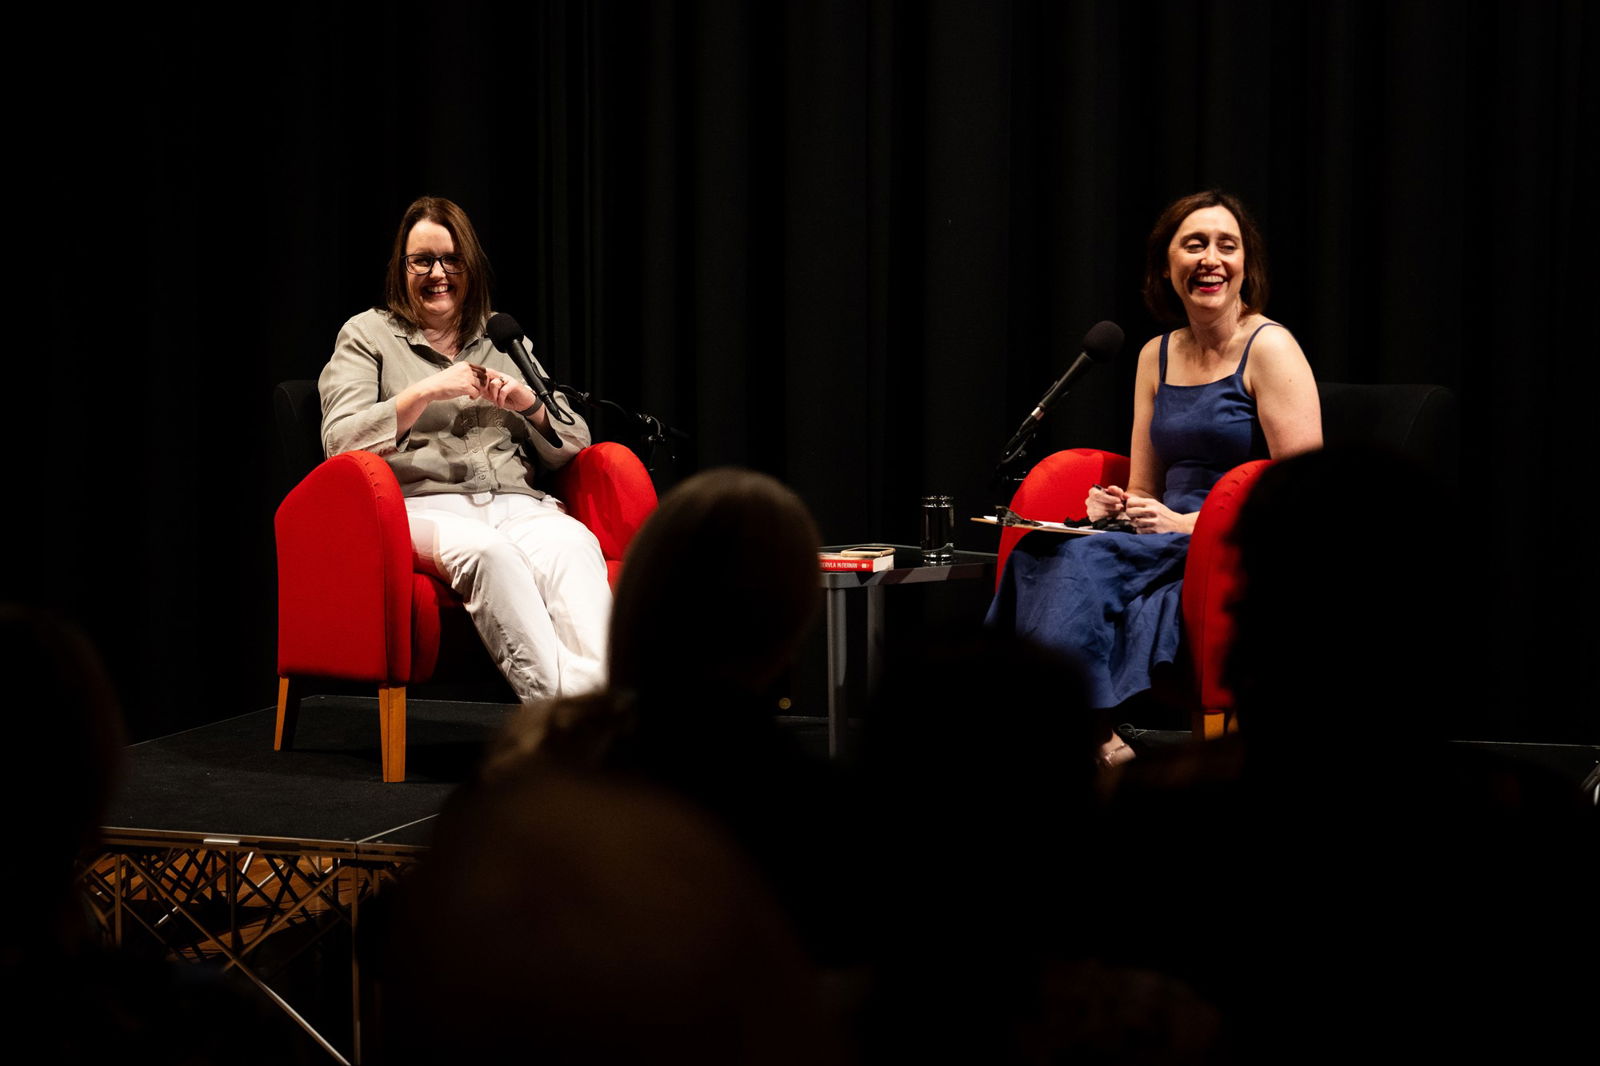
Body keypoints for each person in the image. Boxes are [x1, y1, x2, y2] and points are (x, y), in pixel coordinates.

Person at [988, 190, 1321, 762]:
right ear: (1167, 268)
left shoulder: (1271, 348)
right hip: (1159, 536)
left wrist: (1191, 522)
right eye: (1193, 245)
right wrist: (1119, 506)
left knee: (1079, 564)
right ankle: (1061, 734)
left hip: (1230, 539)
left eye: (1227, 246)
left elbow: (1308, 493)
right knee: (1039, 553)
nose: (1210, 259)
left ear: (1248, 265)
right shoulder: (1155, 355)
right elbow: (1145, 487)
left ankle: (1085, 735)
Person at [318, 196, 610, 702]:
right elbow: (339, 442)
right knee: (489, 554)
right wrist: (425, 391)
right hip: (418, 507)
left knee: (572, 545)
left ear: (469, 267)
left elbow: (574, 442)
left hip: (516, 503)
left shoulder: (501, 337)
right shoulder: (367, 334)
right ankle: (558, 728)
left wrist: (530, 407)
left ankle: (594, 724)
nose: (438, 273)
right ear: (401, 267)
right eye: (422, 260)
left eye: (451, 260)